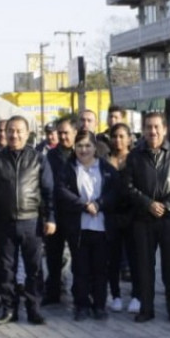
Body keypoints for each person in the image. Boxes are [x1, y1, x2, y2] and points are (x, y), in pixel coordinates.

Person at [0, 116, 55, 325]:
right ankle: (9, 309)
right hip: (3, 223)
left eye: (19, 131)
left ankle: (34, 309)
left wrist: (51, 218)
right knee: (5, 269)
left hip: (32, 222)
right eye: (10, 130)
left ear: (27, 133)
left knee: (34, 269)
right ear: (4, 133)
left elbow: (48, 192)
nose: (14, 135)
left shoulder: (38, 158)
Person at [122, 111, 170, 324]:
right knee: (144, 266)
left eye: (156, 127)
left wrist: (167, 204)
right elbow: (128, 185)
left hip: (169, 219)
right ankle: (146, 308)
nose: (152, 131)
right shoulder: (135, 155)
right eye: (148, 127)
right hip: (143, 218)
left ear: (164, 129)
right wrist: (148, 203)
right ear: (143, 130)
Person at [58, 130, 119, 320]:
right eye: (79, 146)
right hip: (79, 228)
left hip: (101, 228)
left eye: (87, 146)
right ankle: (81, 304)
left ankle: (99, 305)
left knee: (100, 269)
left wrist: (99, 204)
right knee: (81, 269)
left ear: (95, 148)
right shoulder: (68, 169)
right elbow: (61, 192)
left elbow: (115, 193)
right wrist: (83, 205)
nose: (83, 150)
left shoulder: (107, 169)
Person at [41, 117, 76, 305]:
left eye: (66, 133)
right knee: (53, 257)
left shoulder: (81, 153)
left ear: (75, 133)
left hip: (75, 214)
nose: (63, 137)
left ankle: (79, 293)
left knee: (77, 258)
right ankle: (52, 292)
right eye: (60, 133)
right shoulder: (51, 157)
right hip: (55, 213)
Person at [104, 122, 136, 312]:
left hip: (133, 216)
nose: (118, 140)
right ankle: (115, 295)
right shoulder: (105, 161)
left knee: (134, 258)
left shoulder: (135, 159)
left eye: (122, 136)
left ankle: (136, 295)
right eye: (115, 136)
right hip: (111, 216)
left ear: (129, 139)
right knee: (113, 259)